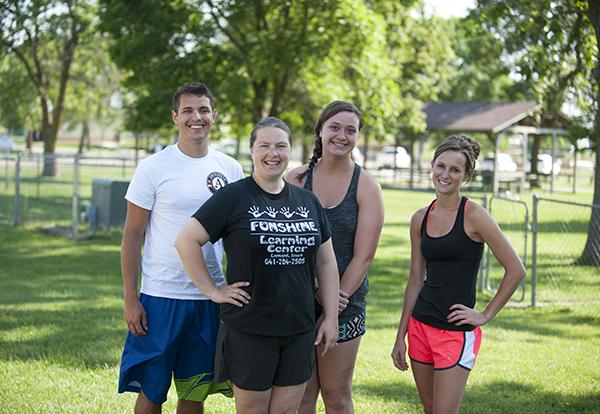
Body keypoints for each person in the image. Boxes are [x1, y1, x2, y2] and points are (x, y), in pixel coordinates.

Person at [175, 117, 340, 414]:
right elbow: (186, 240)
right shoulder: (233, 197)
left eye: (281, 146)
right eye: (264, 145)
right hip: (250, 328)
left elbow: (326, 261)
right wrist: (213, 290)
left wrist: (330, 316)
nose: (272, 153)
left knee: (287, 411)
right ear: (252, 150)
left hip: (298, 328)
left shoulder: (307, 202)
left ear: (291, 151)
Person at [118, 83, 244, 414]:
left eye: (203, 109)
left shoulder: (230, 169)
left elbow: (238, 234)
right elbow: (132, 236)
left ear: (214, 116)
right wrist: (132, 299)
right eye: (187, 110)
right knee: (151, 393)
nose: (196, 117)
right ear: (175, 116)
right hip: (160, 298)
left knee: (194, 394)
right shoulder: (153, 167)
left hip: (208, 299)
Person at [391, 135, 526, 414]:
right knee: (429, 409)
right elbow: (415, 279)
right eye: (440, 166)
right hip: (419, 326)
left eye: (455, 170)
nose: (445, 174)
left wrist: (484, 315)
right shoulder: (420, 217)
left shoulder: (475, 215)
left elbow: (515, 270)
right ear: (432, 166)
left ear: (466, 175)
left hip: (455, 332)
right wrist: (400, 334)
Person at [286, 101, 384, 414]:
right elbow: (284, 242)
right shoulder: (295, 180)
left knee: (336, 396)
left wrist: (333, 299)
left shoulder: (366, 186)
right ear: (320, 131)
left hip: (345, 303)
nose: (342, 135)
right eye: (334, 127)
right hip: (298, 301)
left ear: (357, 137)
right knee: (301, 395)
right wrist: (312, 288)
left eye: (350, 130)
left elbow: (363, 257)